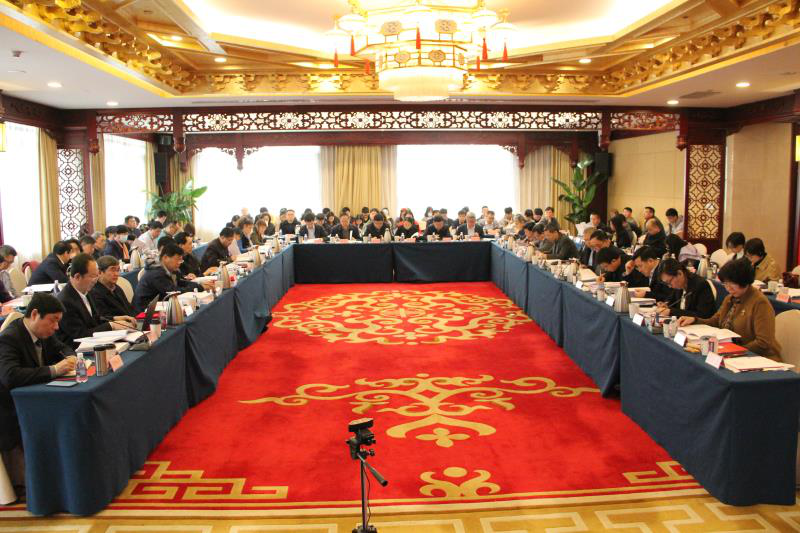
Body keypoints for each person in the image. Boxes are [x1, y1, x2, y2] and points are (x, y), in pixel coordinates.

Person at [0, 293, 77, 498]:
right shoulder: (9, 338)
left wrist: (71, 357)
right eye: (53, 320)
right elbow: (10, 376)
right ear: (35, 314)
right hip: (10, 408)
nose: (56, 327)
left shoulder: (43, 333)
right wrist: (54, 370)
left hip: (34, 398)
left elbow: (63, 347)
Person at [679, 258, 781, 359]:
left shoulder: (759, 303)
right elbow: (715, 321)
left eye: (732, 283)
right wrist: (694, 320)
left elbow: (763, 342)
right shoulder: (730, 298)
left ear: (744, 281)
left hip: (758, 357)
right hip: (732, 352)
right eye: (725, 284)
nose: (728, 288)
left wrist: (733, 350)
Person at [56, 253, 132, 347]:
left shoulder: (87, 291)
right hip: (76, 349)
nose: (96, 280)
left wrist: (115, 319)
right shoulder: (65, 301)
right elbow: (80, 335)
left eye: (97, 275)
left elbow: (95, 319)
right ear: (77, 277)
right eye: (92, 276)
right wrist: (111, 325)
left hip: (94, 344)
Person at [133, 243, 207, 312]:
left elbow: (181, 282)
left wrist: (199, 285)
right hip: (145, 310)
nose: (179, 263)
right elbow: (173, 292)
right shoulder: (156, 273)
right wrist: (200, 287)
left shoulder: (170, 269)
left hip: (161, 304)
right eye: (177, 259)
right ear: (165, 257)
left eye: (181, 260)